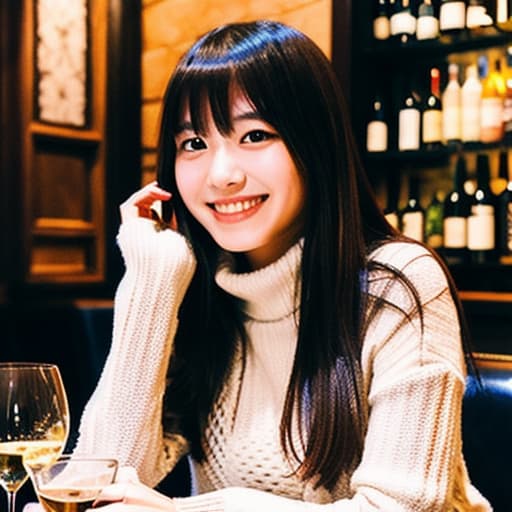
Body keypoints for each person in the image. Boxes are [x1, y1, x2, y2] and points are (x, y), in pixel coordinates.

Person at [74, 20, 491, 511]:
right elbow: (100, 484)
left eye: (254, 135)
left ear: (314, 146)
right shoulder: (198, 293)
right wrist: (150, 283)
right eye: (193, 144)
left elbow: (399, 508)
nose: (222, 175)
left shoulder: (397, 284)